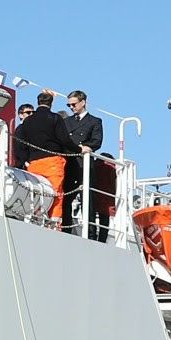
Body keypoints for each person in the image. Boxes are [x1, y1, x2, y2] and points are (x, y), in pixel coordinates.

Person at [11, 87, 75, 223]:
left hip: (33, 164)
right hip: (53, 161)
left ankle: (34, 218)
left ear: (38, 102)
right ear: (51, 103)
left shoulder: (27, 122)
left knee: (36, 191)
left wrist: (25, 160)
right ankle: (54, 223)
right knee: (56, 193)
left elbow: (21, 144)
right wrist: (79, 149)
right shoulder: (55, 118)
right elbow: (64, 139)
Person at [64, 87, 108, 237]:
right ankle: (66, 227)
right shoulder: (66, 122)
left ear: (83, 102)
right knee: (66, 197)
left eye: (74, 104)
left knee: (86, 199)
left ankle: (89, 232)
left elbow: (97, 141)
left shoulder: (94, 121)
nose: (71, 107)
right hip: (69, 162)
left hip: (84, 163)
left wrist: (86, 147)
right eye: (69, 105)